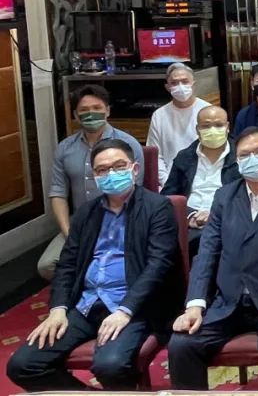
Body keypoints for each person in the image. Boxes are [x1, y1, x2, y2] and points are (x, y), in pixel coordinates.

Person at [8, 139, 180, 391]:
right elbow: (67, 264)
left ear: (134, 169)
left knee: (110, 365)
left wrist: (125, 310)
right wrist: (58, 309)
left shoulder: (157, 207)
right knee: (22, 365)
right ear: (95, 177)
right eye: (102, 170)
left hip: (132, 306)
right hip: (86, 304)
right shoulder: (87, 213)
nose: (111, 174)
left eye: (119, 166)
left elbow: (159, 264)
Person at [168, 126, 258, 391]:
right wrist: (195, 305)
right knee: (182, 344)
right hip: (228, 302)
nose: (252, 159)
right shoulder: (225, 196)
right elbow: (207, 252)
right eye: (245, 155)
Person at [38, 85, 144, 281]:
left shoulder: (128, 144)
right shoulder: (65, 148)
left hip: (120, 220)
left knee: (115, 262)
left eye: (97, 108)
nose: (91, 114)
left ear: (108, 110)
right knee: (47, 266)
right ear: (75, 115)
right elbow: (58, 193)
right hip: (80, 223)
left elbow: (137, 191)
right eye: (84, 110)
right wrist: (69, 234)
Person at [161, 105, 238, 257]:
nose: (213, 130)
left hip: (228, 220)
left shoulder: (241, 156)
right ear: (197, 129)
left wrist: (215, 215)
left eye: (219, 125)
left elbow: (248, 197)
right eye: (206, 126)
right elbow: (167, 197)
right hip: (191, 223)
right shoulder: (184, 157)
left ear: (228, 127)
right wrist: (189, 216)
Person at [146, 62, 210, 185]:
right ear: (167, 87)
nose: (180, 87)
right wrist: (167, 183)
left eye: (185, 81)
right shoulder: (159, 115)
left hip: (203, 181)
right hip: (169, 181)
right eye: (174, 83)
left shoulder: (207, 111)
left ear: (193, 83)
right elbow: (155, 156)